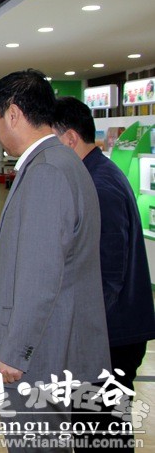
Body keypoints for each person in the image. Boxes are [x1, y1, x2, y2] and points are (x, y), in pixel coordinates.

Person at [0, 70, 109, 452]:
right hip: (56, 345)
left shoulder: (47, 172)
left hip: (38, 355)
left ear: (13, 114)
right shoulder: (61, 161)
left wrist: (14, 352)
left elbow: (41, 276)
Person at [53, 96, 155, 450]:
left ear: (69, 139)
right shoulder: (94, 175)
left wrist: (81, 329)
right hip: (110, 331)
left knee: (101, 432)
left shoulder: (99, 186)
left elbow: (108, 273)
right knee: (98, 430)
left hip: (110, 336)